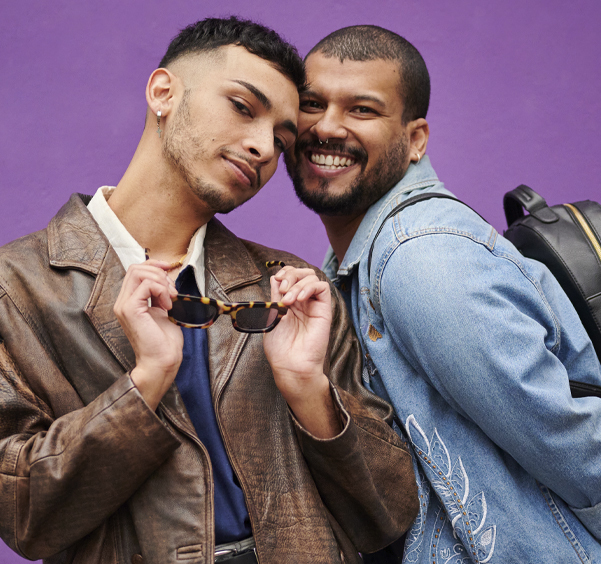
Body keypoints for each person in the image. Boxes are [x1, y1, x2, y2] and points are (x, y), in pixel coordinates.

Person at [0, 18, 419, 564]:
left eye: (281, 138)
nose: (263, 147)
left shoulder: (289, 289)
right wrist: (143, 385)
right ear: (163, 92)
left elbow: (388, 512)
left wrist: (307, 390)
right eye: (243, 107)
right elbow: (23, 515)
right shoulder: (16, 288)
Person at [285, 24, 601, 563]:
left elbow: (575, 449)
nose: (328, 127)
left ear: (415, 140)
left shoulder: (419, 260)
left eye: (362, 109)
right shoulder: (356, 262)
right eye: (312, 104)